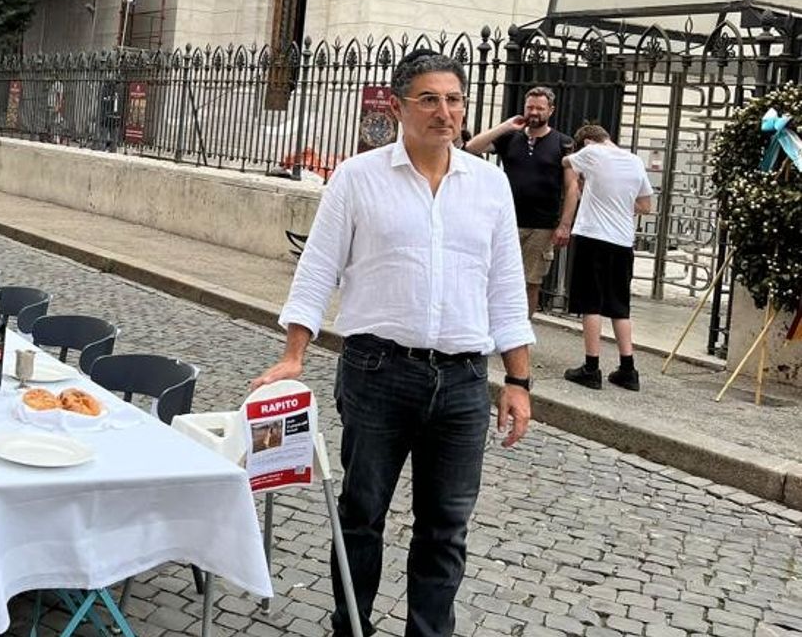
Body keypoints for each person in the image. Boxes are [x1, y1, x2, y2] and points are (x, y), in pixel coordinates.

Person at [253, 50, 535, 637]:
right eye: (429, 99)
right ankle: (350, 628)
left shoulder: (488, 187)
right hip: (377, 372)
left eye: (454, 99)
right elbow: (317, 269)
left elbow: (506, 287)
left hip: (462, 382)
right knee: (361, 517)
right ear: (399, 105)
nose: (444, 112)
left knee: (446, 527)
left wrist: (519, 381)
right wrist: (294, 353)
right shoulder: (358, 178)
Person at [555, 124, 654, 391]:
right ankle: (627, 368)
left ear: (588, 141)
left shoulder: (592, 153)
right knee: (620, 306)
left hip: (593, 236)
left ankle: (591, 367)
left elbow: (565, 161)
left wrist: (575, 160)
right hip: (622, 241)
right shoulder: (634, 161)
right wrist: (619, 204)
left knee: (592, 303)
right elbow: (645, 205)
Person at [465, 86, 574, 316]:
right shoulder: (509, 138)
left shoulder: (562, 143)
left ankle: (521, 332)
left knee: (529, 281)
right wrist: (506, 125)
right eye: (530, 107)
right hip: (505, 221)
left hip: (542, 225)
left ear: (551, 110)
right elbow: (472, 147)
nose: (534, 112)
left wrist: (565, 224)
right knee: (496, 277)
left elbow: (572, 186)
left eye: (540, 108)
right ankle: (493, 324)